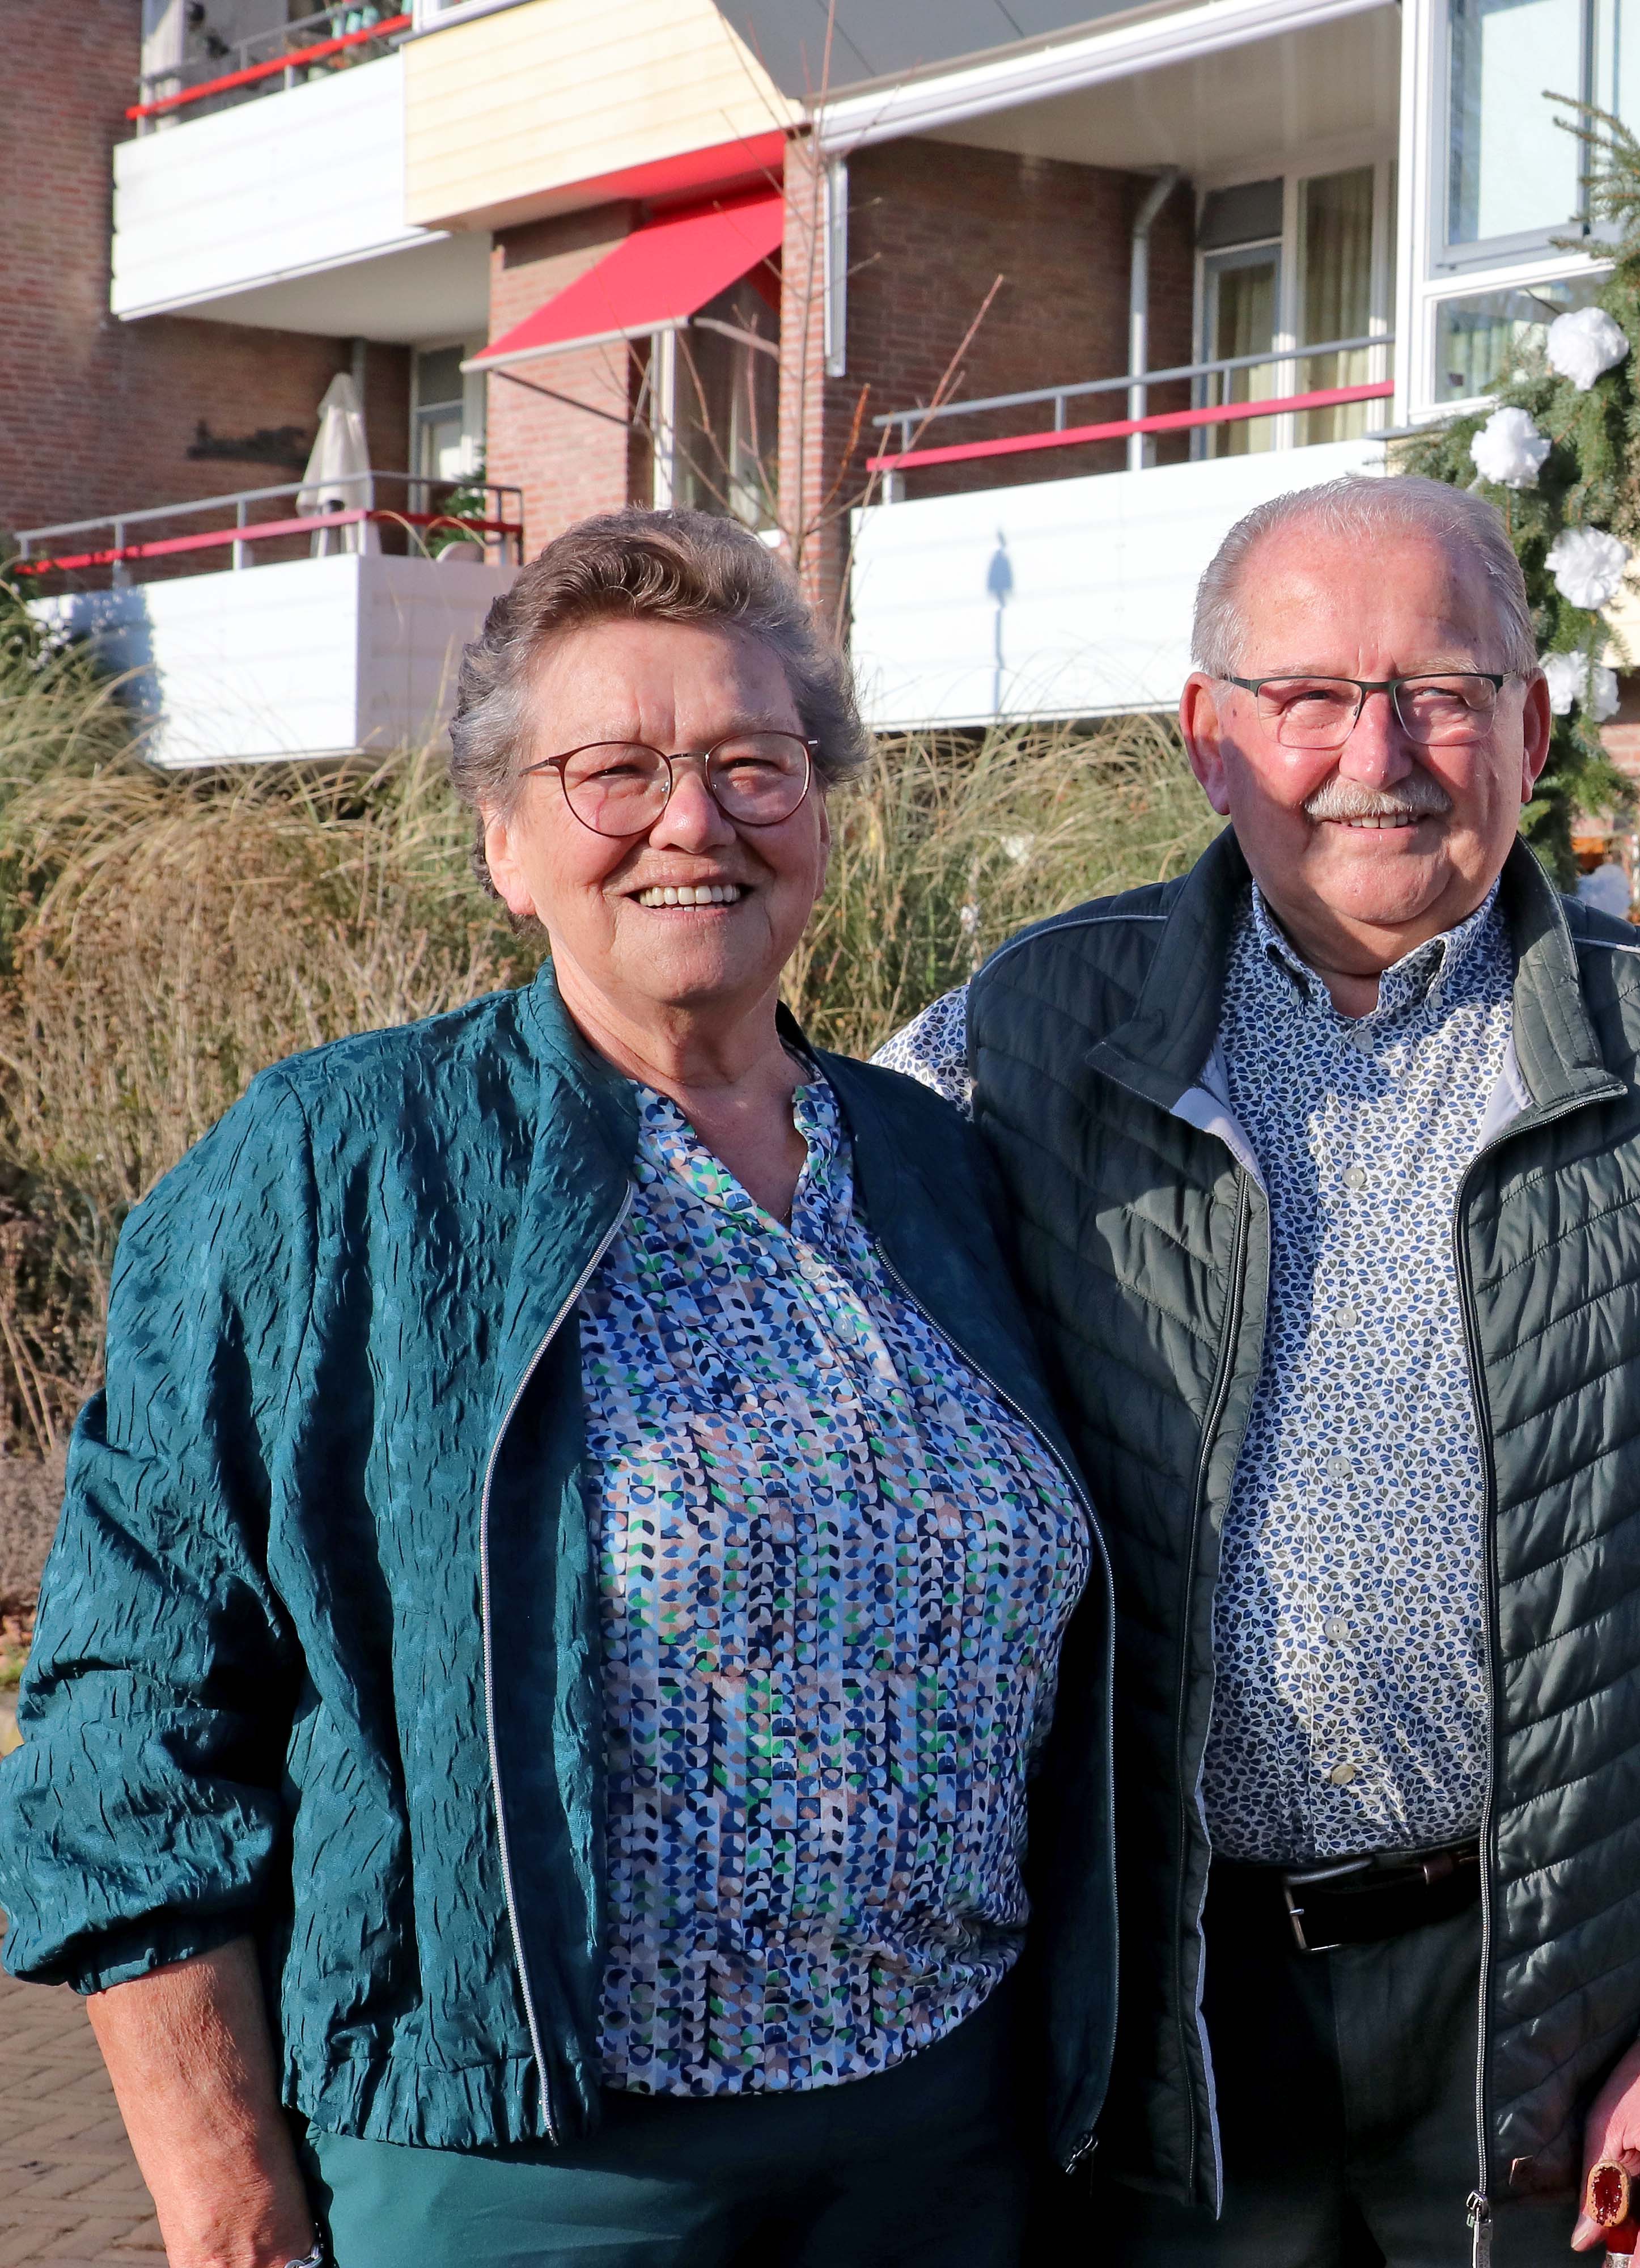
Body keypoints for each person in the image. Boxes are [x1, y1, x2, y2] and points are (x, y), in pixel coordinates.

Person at [0, 511, 1119, 2266]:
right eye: (615, 771)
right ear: (504, 841)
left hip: (938, 2142)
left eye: (754, 764)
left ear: (820, 812)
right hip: (522, 2174)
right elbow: (134, 1712)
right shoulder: (338, 1165)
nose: (695, 821)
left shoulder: (935, 1164)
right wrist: (224, 2198)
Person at [873, 472, 1640, 2268]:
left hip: (1552, 2030)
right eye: (1310, 697)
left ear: (1530, 726)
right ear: (1209, 739)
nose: (1381, 756)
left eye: (1441, 692)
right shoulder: (1022, 1035)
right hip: (1159, 2026)